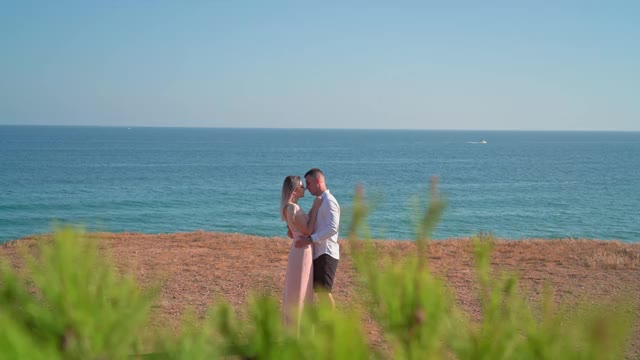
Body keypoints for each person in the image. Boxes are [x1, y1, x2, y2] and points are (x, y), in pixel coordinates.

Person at [280, 175, 323, 331]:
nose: (304, 188)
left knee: (298, 288)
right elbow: (308, 230)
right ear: (294, 190)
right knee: (300, 289)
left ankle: (294, 327)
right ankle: (297, 330)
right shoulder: (293, 208)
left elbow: (295, 229)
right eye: (301, 186)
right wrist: (316, 208)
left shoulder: (288, 208)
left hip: (298, 249)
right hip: (302, 251)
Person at [295, 168, 340, 309]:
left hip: (326, 252)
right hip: (320, 252)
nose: (307, 188)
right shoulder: (320, 201)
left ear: (318, 181)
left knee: (324, 293)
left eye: (308, 183)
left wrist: (310, 239)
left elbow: (333, 228)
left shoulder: (329, 201)